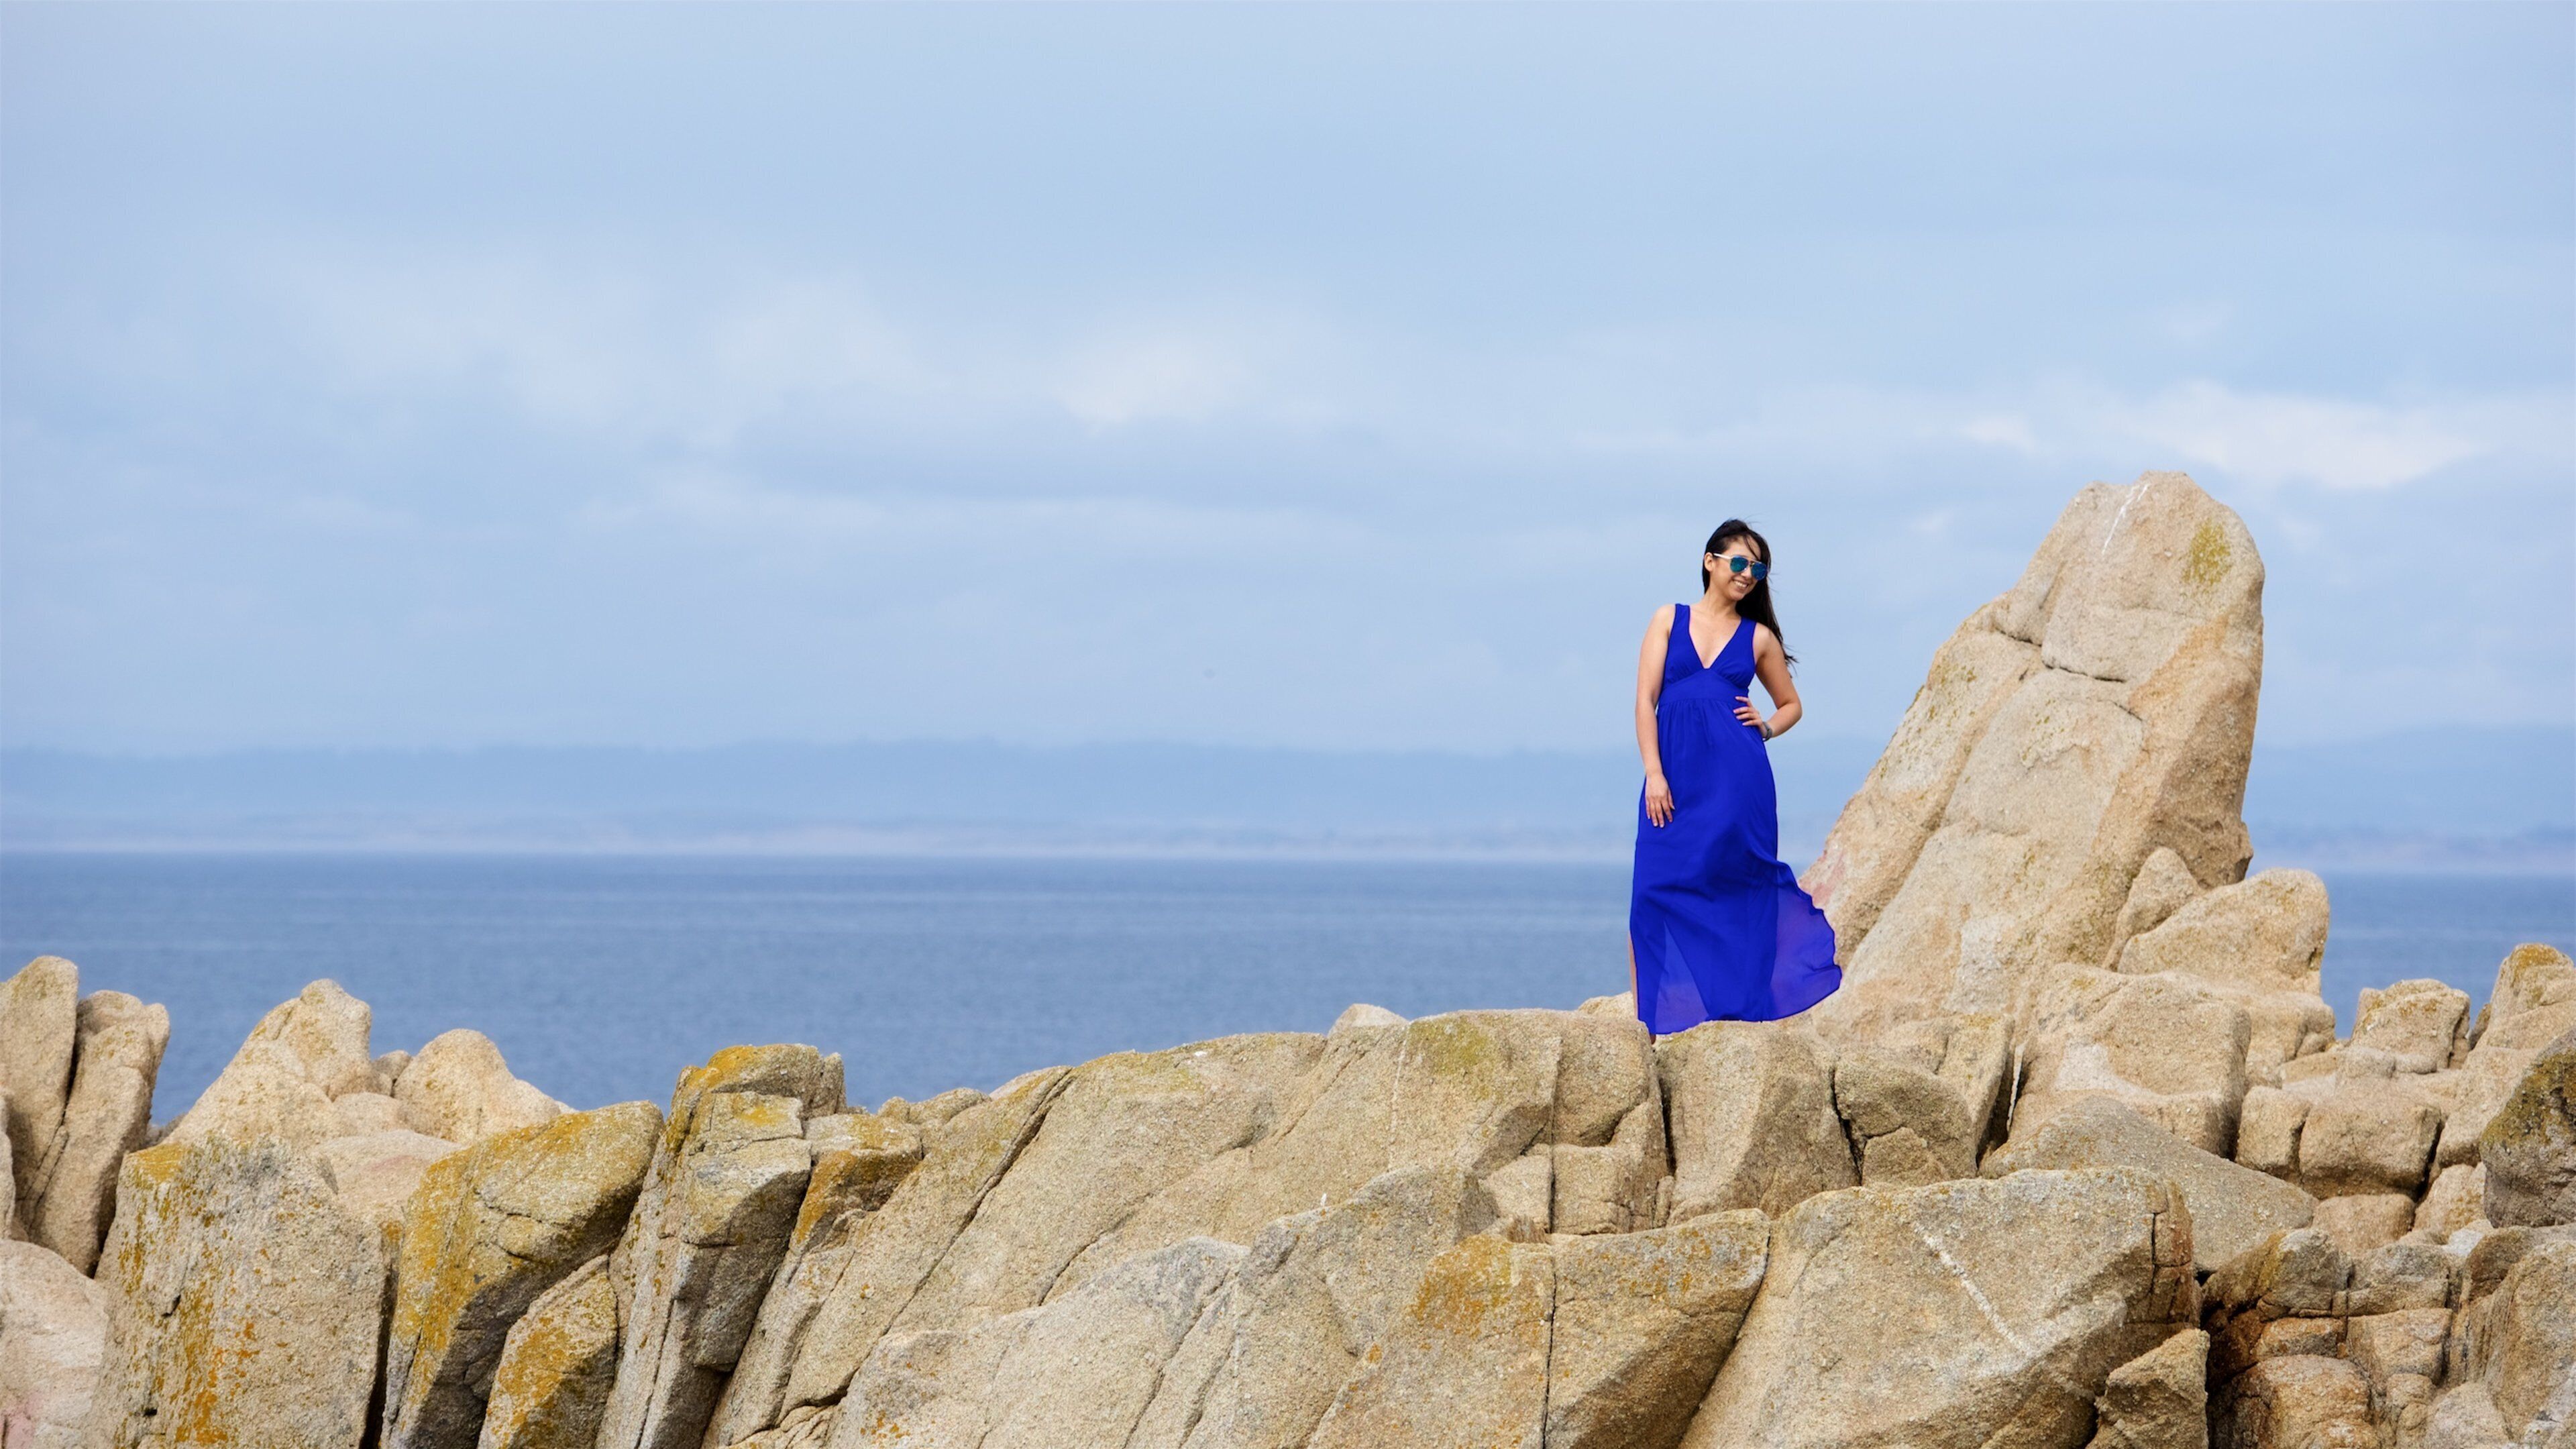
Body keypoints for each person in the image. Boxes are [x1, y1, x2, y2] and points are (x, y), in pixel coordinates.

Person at [1627, 520, 1841, 1038]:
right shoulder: (1668, 618)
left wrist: (1766, 727)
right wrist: (1654, 772)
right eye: (1739, 563)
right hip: (1673, 780)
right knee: (1650, 894)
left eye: (1758, 569)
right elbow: (1645, 701)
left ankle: (1739, 1009)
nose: (1748, 574)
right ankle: (1646, 1023)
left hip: (1737, 783)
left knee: (1736, 887)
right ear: (1710, 562)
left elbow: (1791, 705)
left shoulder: (1758, 638)